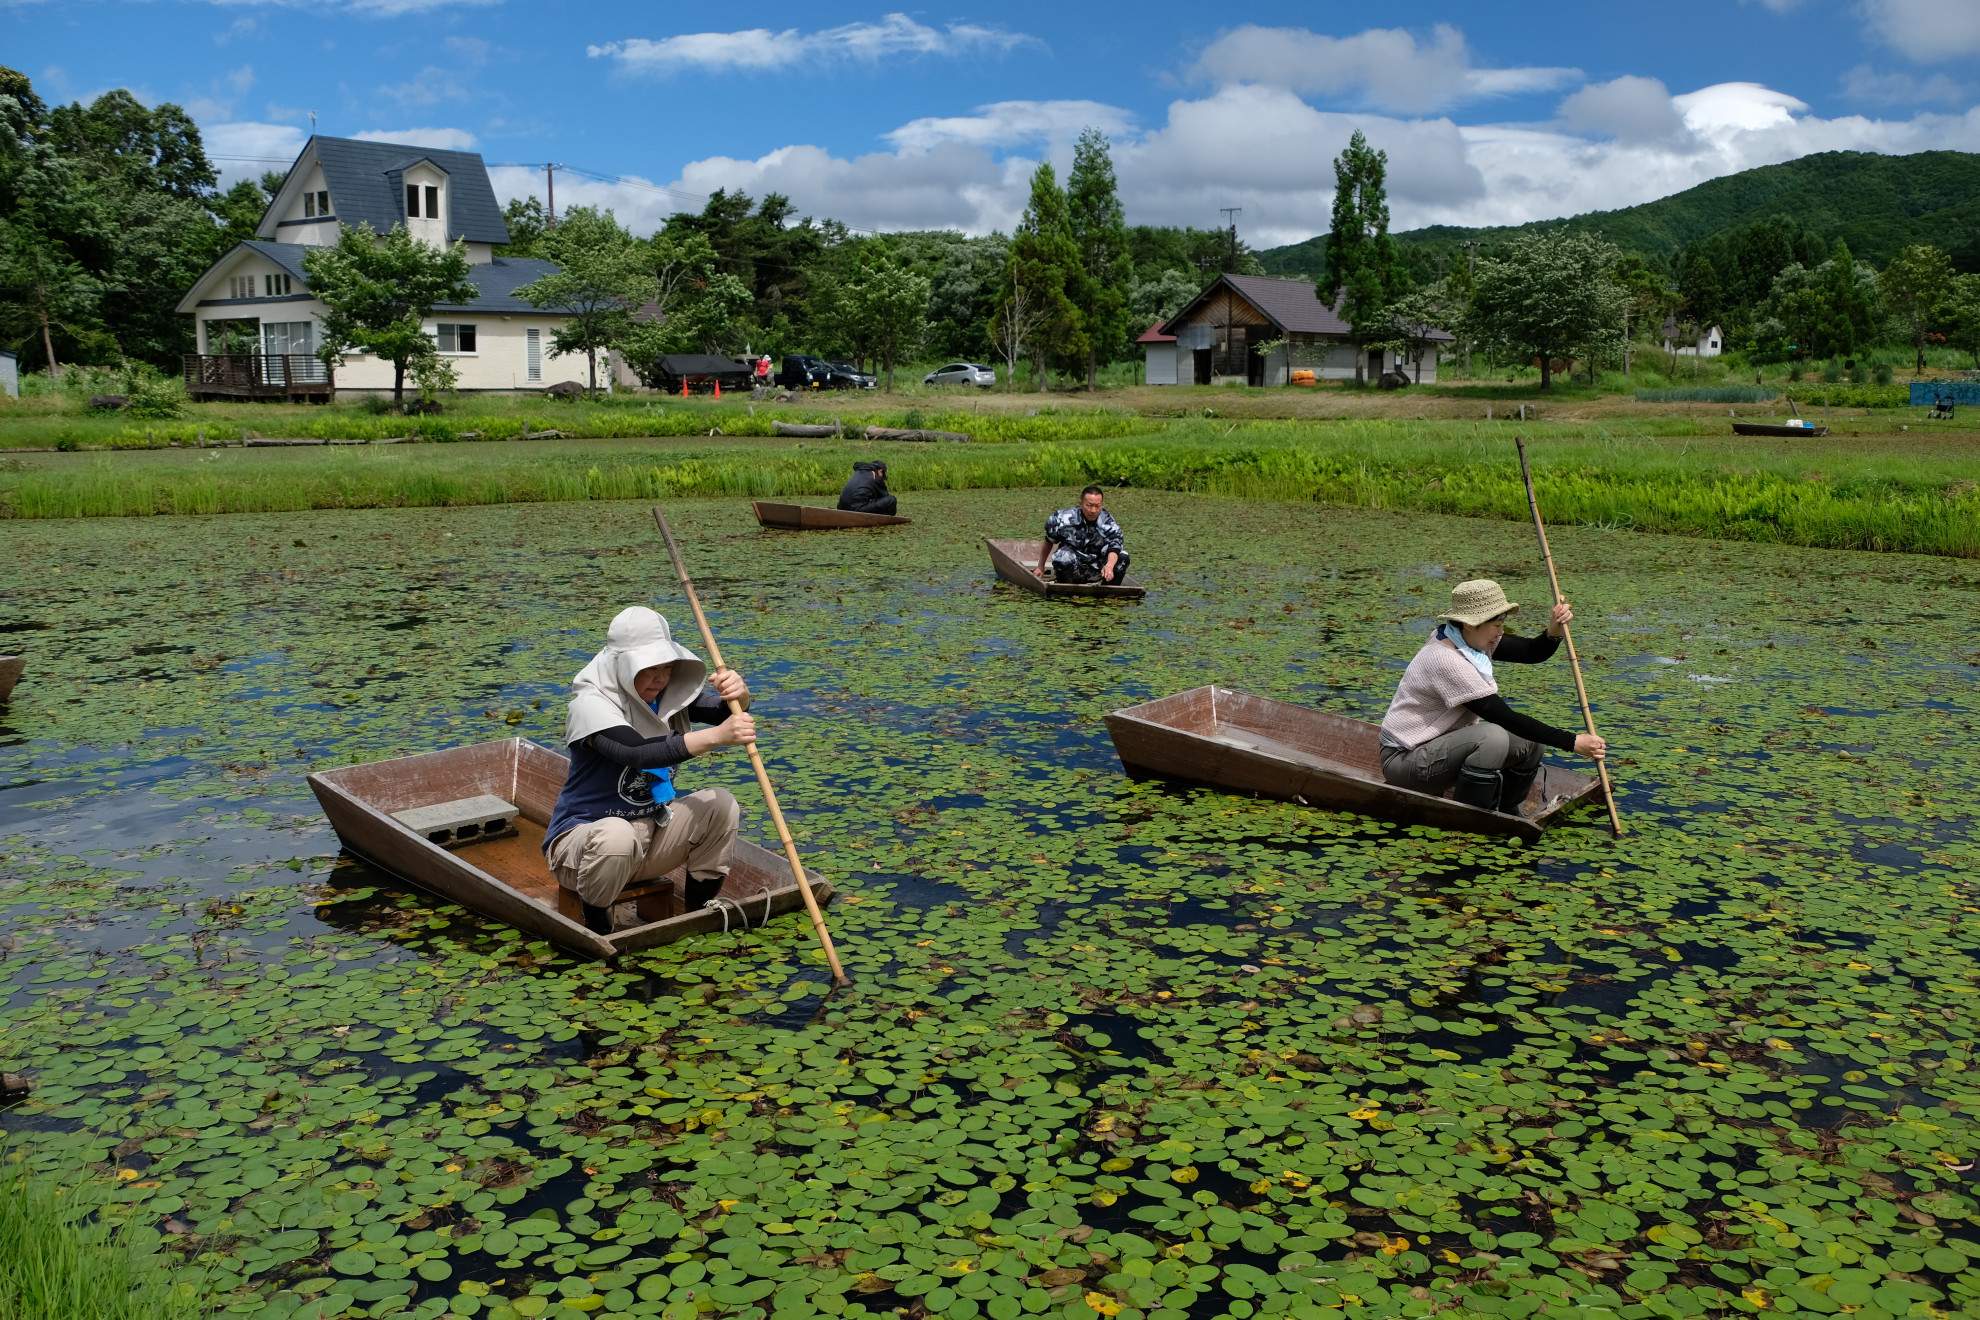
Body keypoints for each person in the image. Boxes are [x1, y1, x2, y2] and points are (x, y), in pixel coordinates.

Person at [543, 606, 756, 933]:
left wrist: (739, 695)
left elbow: (722, 713)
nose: (661, 678)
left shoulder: (662, 695)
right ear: (622, 666)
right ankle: (598, 928)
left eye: (667, 667)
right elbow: (638, 752)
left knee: (720, 805)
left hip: (648, 837)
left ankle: (698, 917)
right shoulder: (590, 704)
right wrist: (716, 737)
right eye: (649, 669)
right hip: (583, 850)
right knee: (616, 835)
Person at [1378, 579, 1606, 815]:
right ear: (1470, 624)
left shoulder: (1466, 638)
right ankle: (1469, 816)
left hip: (1440, 748)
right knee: (1492, 737)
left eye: (1502, 623)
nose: (1501, 632)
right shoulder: (1445, 659)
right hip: (1404, 760)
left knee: (1532, 742)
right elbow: (1503, 716)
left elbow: (1531, 652)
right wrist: (1572, 742)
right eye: (1496, 624)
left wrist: (1554, 631)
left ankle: (1508, 811)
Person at [1036, 485, 1129, 584]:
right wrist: (1040, 566)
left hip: (1097, 568)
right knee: (1062, 557)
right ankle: (1066, 588)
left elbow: (1115, 546)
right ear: (1081, 503)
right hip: (1073, 567)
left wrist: (1109, 566)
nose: (1093, 510)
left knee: (1123, 557)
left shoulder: (1108, 522)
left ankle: (1108, 590)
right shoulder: (1062, 518)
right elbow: (1049, 540)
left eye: (1097, 506)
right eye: (1089, 505)